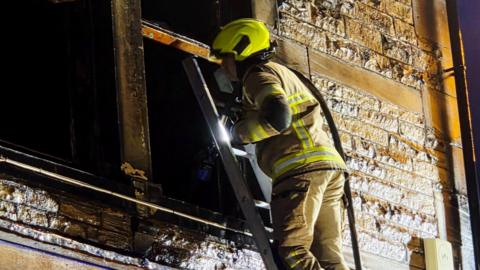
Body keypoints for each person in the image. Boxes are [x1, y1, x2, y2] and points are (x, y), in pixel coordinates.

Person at [212, 18, 349, 270]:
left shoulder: (257, 75)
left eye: (225, 58)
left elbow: (278, 115)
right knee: (329, 258)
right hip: (327, 169)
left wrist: (237, 132)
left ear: (241, 50)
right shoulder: (283, 73)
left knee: (292, 250)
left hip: (300, 169)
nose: (223, 66)